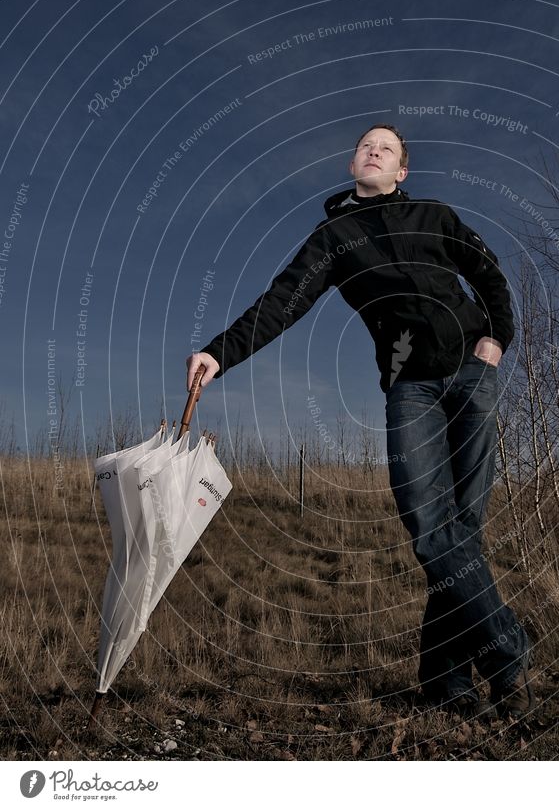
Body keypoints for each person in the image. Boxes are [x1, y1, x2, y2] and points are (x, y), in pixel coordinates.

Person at [186, 124, 533, 718]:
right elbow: (282, 301)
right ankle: (508, 648)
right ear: (353, 163)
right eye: (365, 145)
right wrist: (222, 350)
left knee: (461, 535)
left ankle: (448, 685)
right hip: (411, 388)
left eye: (387, 148)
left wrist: (497, 338)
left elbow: (489, 273)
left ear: (401, 171)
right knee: (431, 530)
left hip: (473, 374)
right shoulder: (334, 238)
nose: (373, 151)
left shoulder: (434, 214)